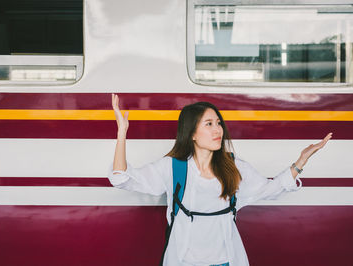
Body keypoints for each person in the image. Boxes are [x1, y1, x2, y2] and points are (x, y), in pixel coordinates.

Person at [108, 94, 332, 266]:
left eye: (218, 123)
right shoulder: (173, 167)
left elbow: (271, 189)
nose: (218, 130)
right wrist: (122, 133)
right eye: (209, 124)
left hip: (226, 260)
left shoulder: (233, 167)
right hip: (184, 261)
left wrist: (301, 161)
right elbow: (121, 178)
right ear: (192, 133)